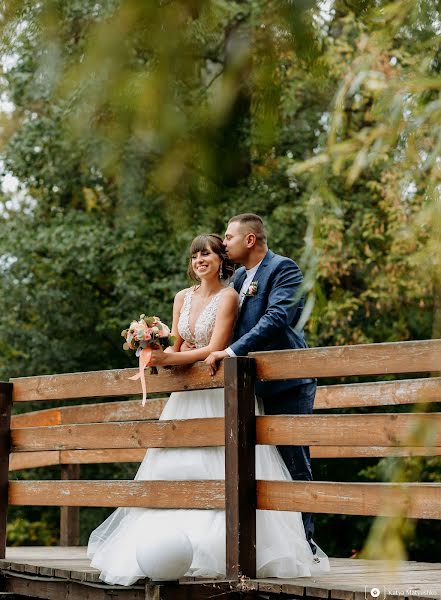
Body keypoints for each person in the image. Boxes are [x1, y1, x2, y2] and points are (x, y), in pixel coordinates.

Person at [87, 233, 329, 586]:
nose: (200, 260)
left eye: (208, 253)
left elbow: (215, 347)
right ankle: (160, 547)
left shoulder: (230, 295)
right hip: (185, 396)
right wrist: (154, 350)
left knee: (228, 466)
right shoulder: (182, 297)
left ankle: (237, 548)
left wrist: (169, 356)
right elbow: (181, 344)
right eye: (195, 255)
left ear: (221, 260)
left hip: (219, 390)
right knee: (172, 466)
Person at [205, 213, 317, 554]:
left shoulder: (283, 269)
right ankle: (270, 547)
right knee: (254, 467)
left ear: (250, 240)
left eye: (229, 237)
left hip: (287, 384)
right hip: (249, 387)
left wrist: (232, 351)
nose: (224, 243)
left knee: (293, 461)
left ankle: (305, 544)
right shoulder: (238, 277)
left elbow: (277, 317)